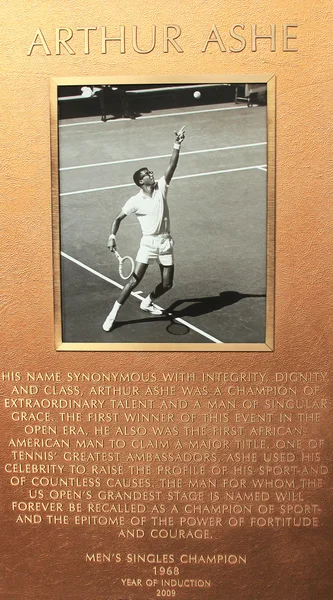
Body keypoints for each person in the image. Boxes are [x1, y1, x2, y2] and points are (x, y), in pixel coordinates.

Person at [102, 125, 185, 332]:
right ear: (141, 181)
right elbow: (118, 218)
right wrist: (112, 236)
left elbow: (171, 166)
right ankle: (113, 315)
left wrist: (177, 144)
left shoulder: (161, 187)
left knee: (167, 284)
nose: (151, 173)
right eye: (147, 173)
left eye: (150, 172)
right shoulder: (135, 201)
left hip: (166, 242)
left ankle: (147, 301)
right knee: (133, 281)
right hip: (148, 243)